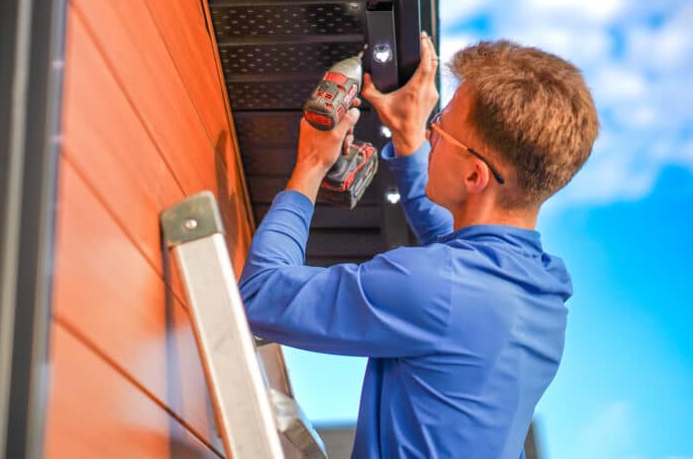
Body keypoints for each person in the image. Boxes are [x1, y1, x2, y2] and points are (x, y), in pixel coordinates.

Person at [238, 33, 599, 458]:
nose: (432, 135)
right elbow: (455, 239)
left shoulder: (435, 286)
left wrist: (313, 164)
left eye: (440, 130)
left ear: (474, 177)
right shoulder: (540, 289)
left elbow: (259, 294)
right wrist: (409, 136)